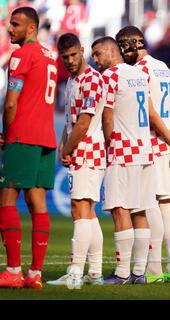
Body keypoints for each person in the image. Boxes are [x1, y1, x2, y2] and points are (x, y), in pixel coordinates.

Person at [115, 25, 170, 284]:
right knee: (167, 206)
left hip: (154, 142)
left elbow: (149, 112)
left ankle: (155, 270)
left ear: (135, 44)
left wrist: (169, 139)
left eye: (124, 47)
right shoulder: (165, 68)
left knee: (152, 206)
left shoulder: (139, 72)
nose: (123, 53)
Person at [91, 36, 167, 285]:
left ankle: (123, 273)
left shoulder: (109, 77)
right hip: (145, 150)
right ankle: (139, 272)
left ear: (111, 52)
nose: (95, 60)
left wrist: (106, 145)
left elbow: (108, 118)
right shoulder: (139, 75)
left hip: (122, 150)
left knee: (120, 208)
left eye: (97, 54)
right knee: (140, 210)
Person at [0, 7, 57, 289]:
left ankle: (12, 271)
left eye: (16, 24)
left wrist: (6, 134)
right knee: (38, 204)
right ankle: (34, 274)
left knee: (7, 199)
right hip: (47, 137)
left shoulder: (21, 55)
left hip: (22, 136)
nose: (10, 29)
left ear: (31, 28)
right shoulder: (50, 57)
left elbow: (11, 102)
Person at [46, 33, 105, 289]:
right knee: (88, 212)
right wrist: (63, 143)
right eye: (65, 57)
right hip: (80, 149)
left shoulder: (92, 80)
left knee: (80, 209)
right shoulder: (72, 80)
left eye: (73, 55)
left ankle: (75, 272)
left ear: (82, 50)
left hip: (88, 150)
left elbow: (83, 123)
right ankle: (95, 272)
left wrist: (68, 149)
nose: (70, 60)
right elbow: (71, 120)